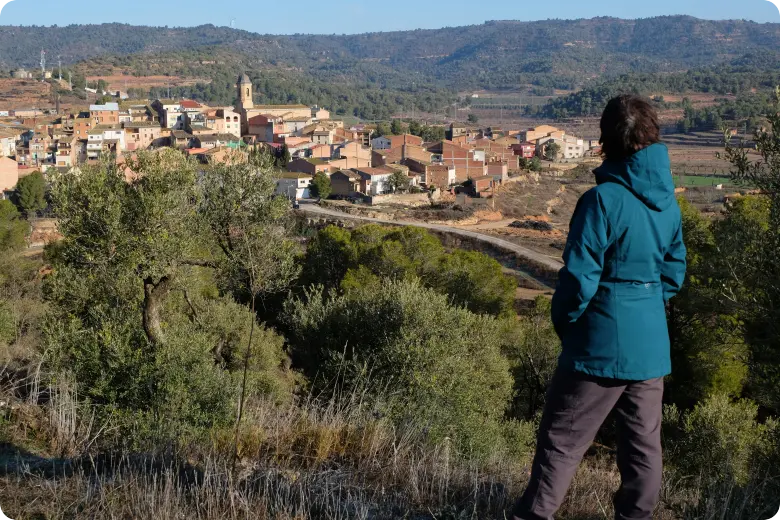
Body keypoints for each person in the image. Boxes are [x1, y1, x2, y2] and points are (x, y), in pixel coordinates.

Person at [512, 95, 687, 520]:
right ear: (652, 137)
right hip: (650, 346)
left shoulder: (601, 201)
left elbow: (577, 280)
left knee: (562, 443)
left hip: (597, 345)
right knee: (644, 450)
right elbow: (674, 270)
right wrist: (645, 304)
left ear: (605, 140)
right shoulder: (667, 202)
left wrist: (569, 325)